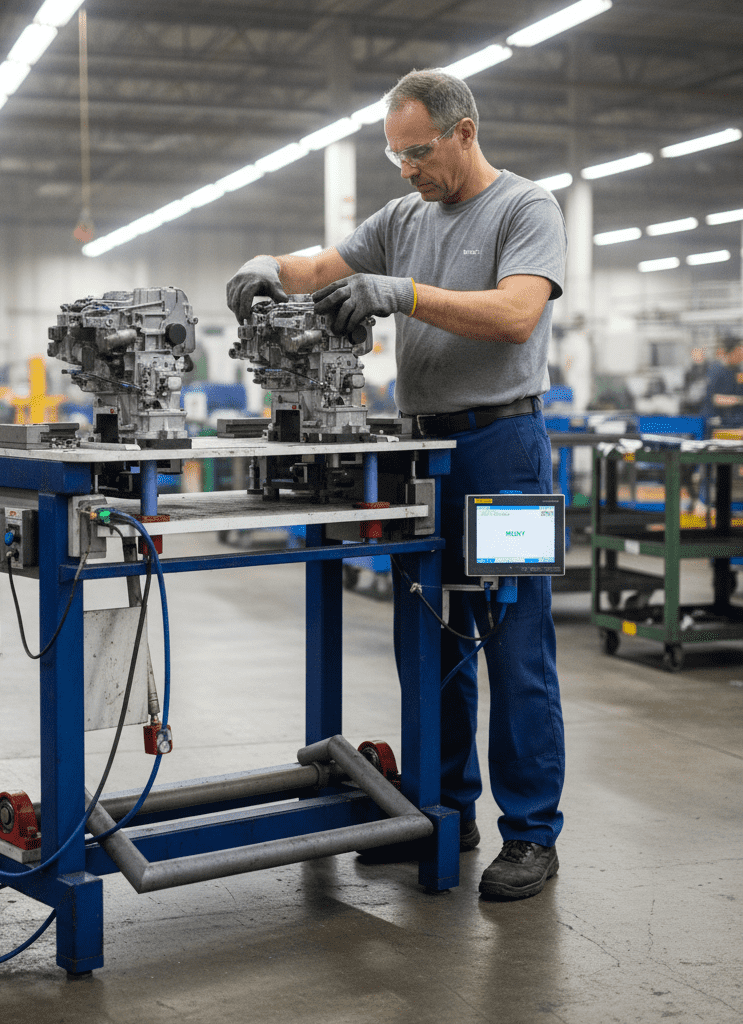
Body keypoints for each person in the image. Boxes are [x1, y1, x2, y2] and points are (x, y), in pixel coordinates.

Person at [226, 68, 567, 900]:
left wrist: (403, 292)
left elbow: (518, 313)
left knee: (515, 643)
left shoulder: (527, 208)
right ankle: (443, 811)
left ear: (464, 131)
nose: (409, 169)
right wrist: (264, 265)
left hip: (503, 449)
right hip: (421, 456)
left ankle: (530, 834)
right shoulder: (402, 216)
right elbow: (317, 267)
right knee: (429, 641)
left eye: (419, 152)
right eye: (395, 156)